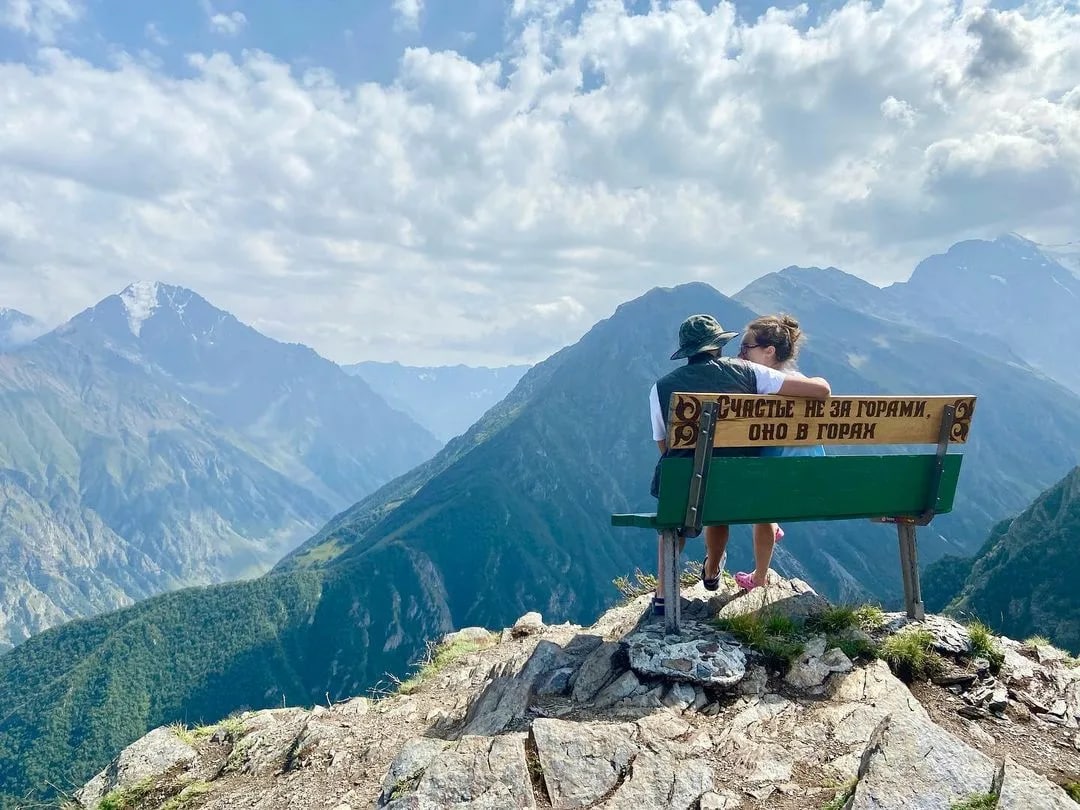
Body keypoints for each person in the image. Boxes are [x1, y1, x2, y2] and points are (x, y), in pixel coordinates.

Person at [649, 314, 831, 614]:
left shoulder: (660, 388)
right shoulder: (752, 373)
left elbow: (664, 446)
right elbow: (820, 392)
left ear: (687, 351)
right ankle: (713, 569)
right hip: (740, 488)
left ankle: (663, 591)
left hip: (687, 489)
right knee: (720, 490)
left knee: (678, 507)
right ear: (718, 345)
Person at [732, 313, 826, 591]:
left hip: (773, 478)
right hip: (811, 472)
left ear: (768, 352)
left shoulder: (761, 381)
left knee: (755, 493)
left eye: (746, 347)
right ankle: (771, 524)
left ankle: (759, 577)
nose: (740, 353)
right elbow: (822, 388)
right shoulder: (799, 379)